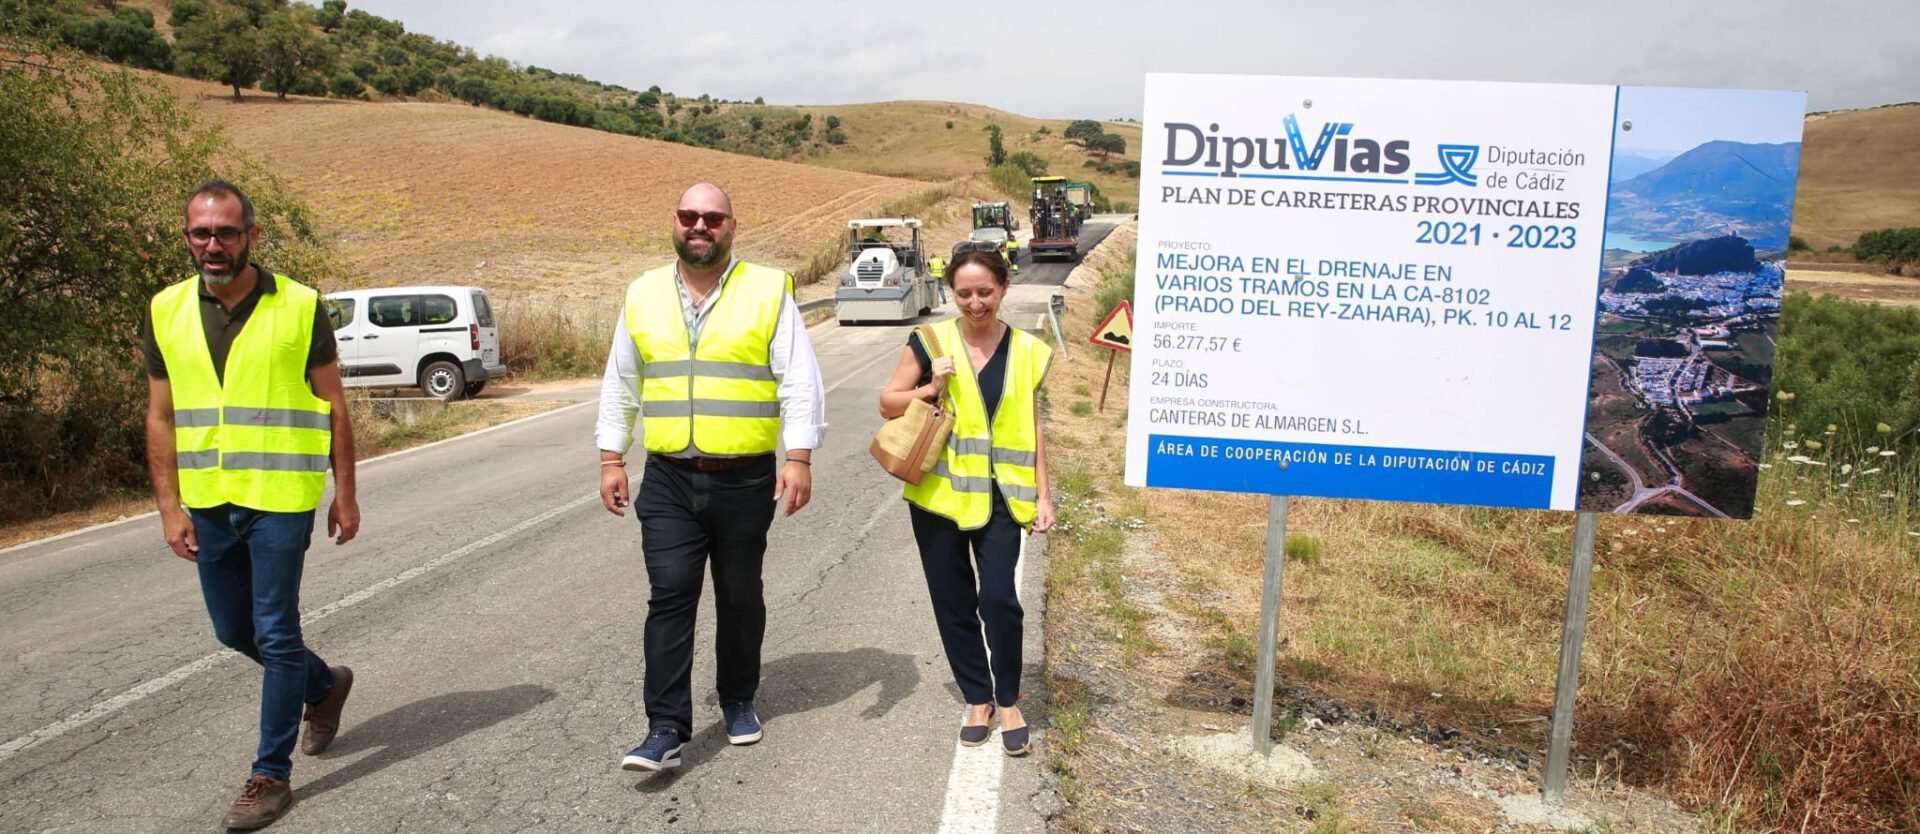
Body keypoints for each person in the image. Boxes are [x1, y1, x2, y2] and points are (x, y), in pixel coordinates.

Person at [143, 180, 359, 830]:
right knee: (232, 631)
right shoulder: (166, 309)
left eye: (227, 233)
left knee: (273, 630)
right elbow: (160, 416)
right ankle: (322, 686)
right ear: (188, 238)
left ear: (252, 238)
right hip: (209, 497)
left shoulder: (298, 305)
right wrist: (168, 506)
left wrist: (345, 492)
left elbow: (335, 407)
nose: (213, 245)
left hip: (281, 498)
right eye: (201, 233)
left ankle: (271, 773)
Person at [597, 183, 827, 773]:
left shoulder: (768, 288)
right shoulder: (643, 293)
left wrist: (797, 456)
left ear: (731, 225)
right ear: (673, 221)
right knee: (670, 595)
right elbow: (622, 381)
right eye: (689, 216)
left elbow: (798, 378)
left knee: (740, 595)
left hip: (744, 479)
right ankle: (665, 726)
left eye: (713, 217)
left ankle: (738, 697)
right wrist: (611, 457)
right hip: (669, 478)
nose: (700, 225)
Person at [878, 248, 1054, 757]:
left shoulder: (1027, 350)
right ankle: (978, 697)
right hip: (938, 497)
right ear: (951, 293)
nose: (975, 303)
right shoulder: (931, 340)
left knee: (1000, 599)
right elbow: (888, 400)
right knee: (952, 601)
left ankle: (1009, 697)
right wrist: (931, 387)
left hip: (1002, 496)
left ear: (1003, 289)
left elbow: (1035, 428)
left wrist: (1045, 494)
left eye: (985, 292)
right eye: (964, 293)